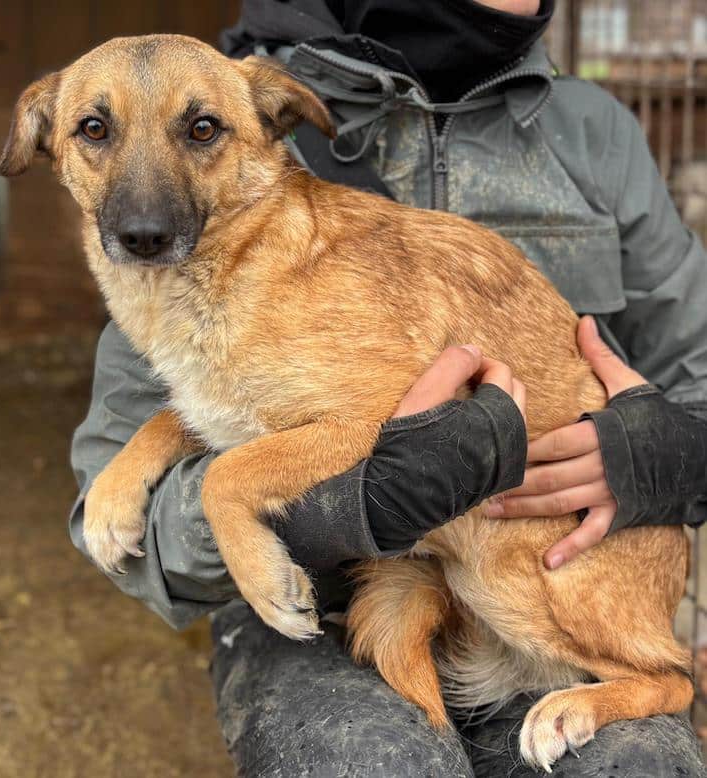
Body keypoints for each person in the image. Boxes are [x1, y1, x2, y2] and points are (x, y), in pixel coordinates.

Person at [69, 1, 707, 775]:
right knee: (373, 762)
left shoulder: (593, 128)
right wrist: (339, 511)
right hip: (328, 610)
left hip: (546, 567)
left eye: (198, 132)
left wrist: (671, 450)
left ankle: (650, 682)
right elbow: (147, 520)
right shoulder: (221, 119)